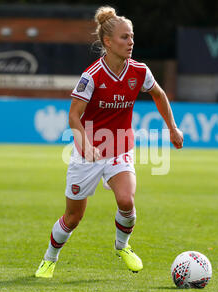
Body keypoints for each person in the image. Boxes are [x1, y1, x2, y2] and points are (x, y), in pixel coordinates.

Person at [35, 6, 183, 278]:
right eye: (125, 37)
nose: (131, 42)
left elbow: (159, 95)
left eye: (132, 36)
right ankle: (49, 258)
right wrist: (86, 145)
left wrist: (172, 128)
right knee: (73, 218)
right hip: (86, 155)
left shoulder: (139, 71)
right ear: (108, 42)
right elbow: (73, 117)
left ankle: (122, 246)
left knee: (126, 200)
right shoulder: (91, 76)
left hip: (120, 150)